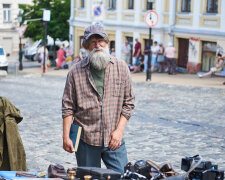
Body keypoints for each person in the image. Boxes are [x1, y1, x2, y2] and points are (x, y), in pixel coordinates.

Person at [62, 24, 135, 174]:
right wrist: (66, 137)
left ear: (107, 42)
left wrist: (119, 131)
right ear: (87, 46)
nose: (97, 45)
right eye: (92, 42)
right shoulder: (75, 72)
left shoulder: (121, 68)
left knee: (122, 176)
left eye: (100, 40)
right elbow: (68, 107)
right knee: (89, 177)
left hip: (114, 138)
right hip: (86, 140)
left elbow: (129, 103)